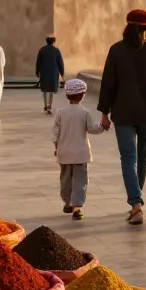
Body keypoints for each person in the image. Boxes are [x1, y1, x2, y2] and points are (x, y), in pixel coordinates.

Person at [98, 9, 146, 226]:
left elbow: (108, 82)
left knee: (128, 158)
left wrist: (104, 111)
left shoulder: (116, 51)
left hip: (123, 112)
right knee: (142, 157)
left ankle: (136, 204)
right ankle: (135, 202)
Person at [53, 79, 104, 220]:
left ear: (67, 95)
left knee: (65, 179)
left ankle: (67, 202)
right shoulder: (84, 112)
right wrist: (103, 126)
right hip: (80, 153)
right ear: (83, 95)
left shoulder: (61, 113)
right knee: (80, 180)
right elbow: (93, 129)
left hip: (64, 153)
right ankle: (77, 208)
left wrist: (56, 147)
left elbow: (55, 133)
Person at [36, 36, 65, 115]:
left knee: (45, 89)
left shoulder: (42, 50)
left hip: (44, 72)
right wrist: (62, 73)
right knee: (51, 90)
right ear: (53, 42)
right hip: (53, 72)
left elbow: (38, 62)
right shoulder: (56, 51)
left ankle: (45, 105)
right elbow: (60, 63)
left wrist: (37, 71)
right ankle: (50, 106)